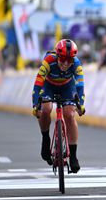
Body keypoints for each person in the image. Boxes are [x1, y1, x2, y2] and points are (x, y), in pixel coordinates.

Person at [31, 39, 86, 173]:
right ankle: (45, 139)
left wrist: (81, 104)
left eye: (69, 59)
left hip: (67, 87)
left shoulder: (76, 63)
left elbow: (80, 85)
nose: (66, 63)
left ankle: (73, 156)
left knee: (69, 115)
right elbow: (38, 83)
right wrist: (35, 104)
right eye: (62, 59)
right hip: (48, 86)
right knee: (46, 109)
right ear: (57, 55)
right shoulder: (49, 60)